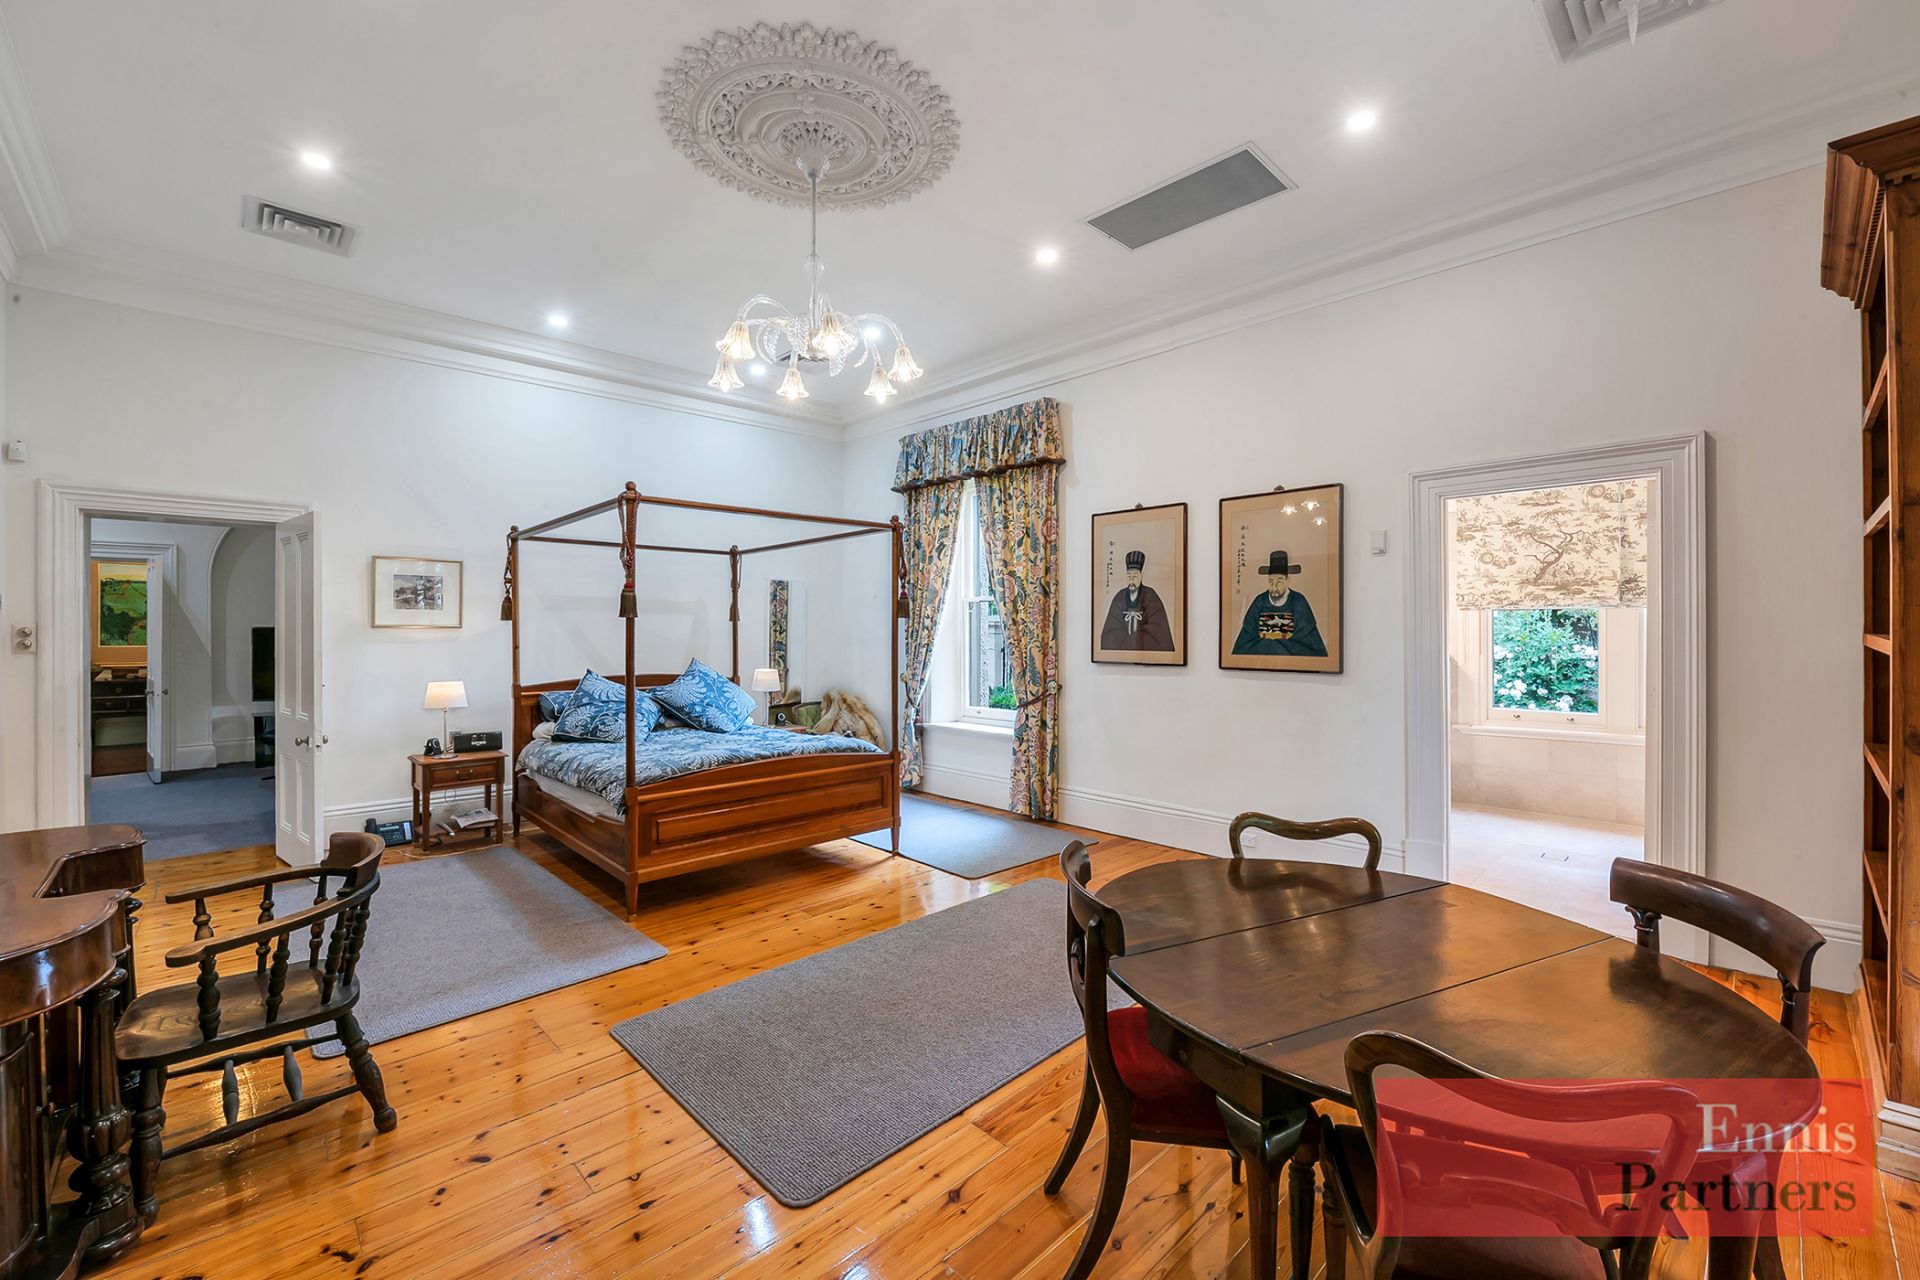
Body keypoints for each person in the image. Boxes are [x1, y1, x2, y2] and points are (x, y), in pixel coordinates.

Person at [1232, 550, 1326, 656]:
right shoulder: (1260, 601)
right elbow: (1245, 641)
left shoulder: (1298, 601)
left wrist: (1274, 647)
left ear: (1287, 580)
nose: (1274, 587)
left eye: (1279, 582)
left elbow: (1308, 643)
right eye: (1270, 581)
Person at [1099, 549, 1175, 651]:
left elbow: (1158, 630)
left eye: (1135, 576)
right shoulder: (1119, 597)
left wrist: (1132, 640)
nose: (1131, 580)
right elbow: (1111, 630)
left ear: (1141, 576)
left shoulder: (1151, 596)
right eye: (1128, 576)